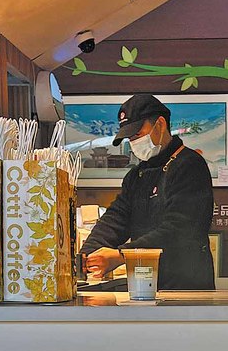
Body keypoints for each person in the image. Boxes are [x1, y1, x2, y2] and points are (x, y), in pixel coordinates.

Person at [81, 94, 215, 291]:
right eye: (130, 138)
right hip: (144, 285)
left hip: (187, 286)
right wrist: (85, 255)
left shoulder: (190, 165)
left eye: (137, 134)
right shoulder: (136, 175)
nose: (133, 142)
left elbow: (180, 229)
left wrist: (122, 255)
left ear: (160, 124)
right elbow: (116, 218)